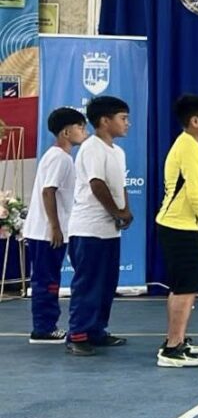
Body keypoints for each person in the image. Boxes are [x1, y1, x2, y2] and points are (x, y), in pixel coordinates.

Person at [154, 95, 198, 368]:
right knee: (184, 288)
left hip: (184, 226)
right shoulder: (189, 148)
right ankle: (172, 349)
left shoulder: (192, 147)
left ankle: (177, 339)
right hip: (181, 227)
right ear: (195, 121)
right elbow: (195, 193)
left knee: (184, 287)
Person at [65, 96, 133, 356]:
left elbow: (120, 185)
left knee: (106, 284)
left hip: (109, 231)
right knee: (88, 283)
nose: (127, 123)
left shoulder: (118, 152)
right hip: (88, 229)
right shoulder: (92, 147)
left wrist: (126, 211)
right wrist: (116, 212)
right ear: (105, 121)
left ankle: (96, 330)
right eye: (123, 118)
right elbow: (97, 184)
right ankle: (77, 334)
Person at [24, 108, 88, 343]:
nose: (84, 132)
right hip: (46, 232)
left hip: (48, 230)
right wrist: (55, 227)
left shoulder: (60, 157)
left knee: (48, 279)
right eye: (80, 127)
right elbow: (48, 191)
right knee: (47, 281)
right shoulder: (59, 158)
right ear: (65, 132)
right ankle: (43, 328)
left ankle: (45, 325)